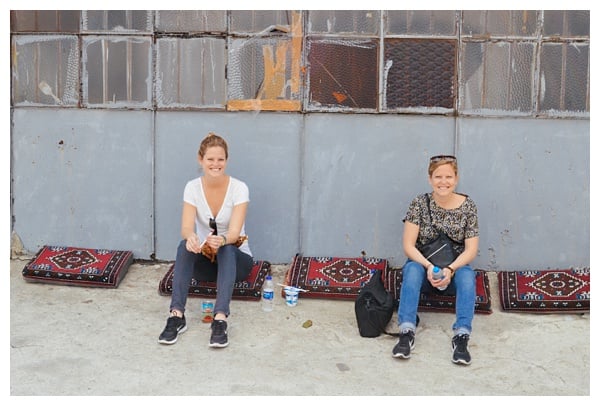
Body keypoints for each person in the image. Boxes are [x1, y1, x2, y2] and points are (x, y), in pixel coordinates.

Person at [158, 132, 254, 348]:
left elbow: (235, 232)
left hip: (237, 262)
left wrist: (221, 239)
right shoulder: (192, 187)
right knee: (184, 246)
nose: (216, 164)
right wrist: (191, 237)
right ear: (200, 160)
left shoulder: (239, 188)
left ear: (226, 161)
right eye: (210, 159)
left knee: (227, 249)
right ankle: (176, 315)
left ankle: (220, 319)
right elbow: (185, 227)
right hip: (207, 262)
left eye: (220, 159)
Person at [393, 154, 479, 365]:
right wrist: (429, 266)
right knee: (412, 270)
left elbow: (471, 250)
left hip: (454, 270)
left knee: (468, 275)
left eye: (448, 176)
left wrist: (450, 269)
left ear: (456, 178)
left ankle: (461, 336)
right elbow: (408, 246)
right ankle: (406, 332)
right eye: (438, 176)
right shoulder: (419, 204)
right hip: (425, 268)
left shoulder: (468, 206)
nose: (443, 182)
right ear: (430, 179)